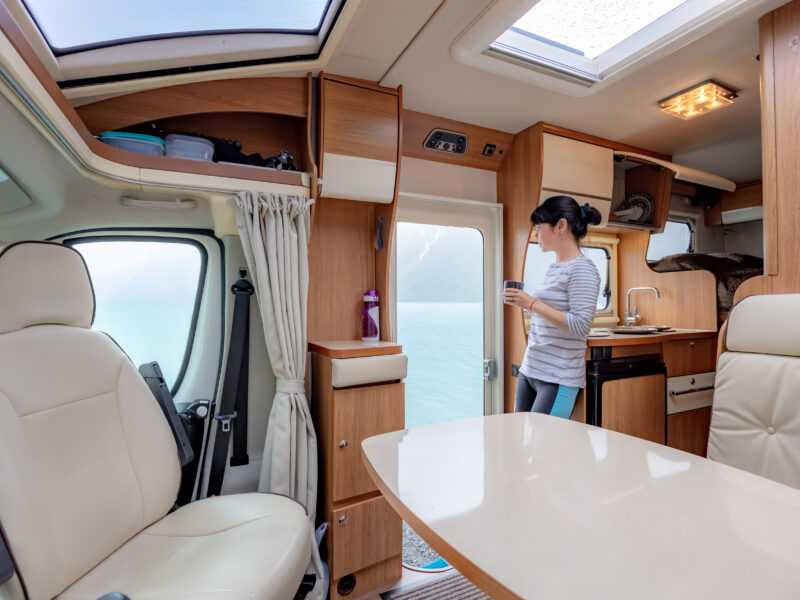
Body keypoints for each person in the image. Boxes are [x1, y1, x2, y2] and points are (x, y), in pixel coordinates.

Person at [503, 195, 602, 418]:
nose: (536, 233)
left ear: (561, 226)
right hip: (531, 369)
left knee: (544, 447)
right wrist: (526, 304)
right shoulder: (555, 266)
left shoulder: (582, 269)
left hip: (557, 377)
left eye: (539, 227)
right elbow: (549, 315)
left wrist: (531, 303)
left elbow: (580, 325)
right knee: (522, 443)